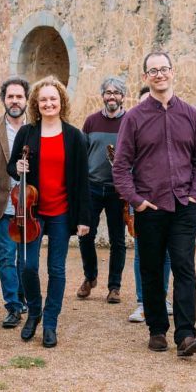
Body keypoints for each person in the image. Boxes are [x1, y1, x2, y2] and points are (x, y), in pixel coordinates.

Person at [113, 52, 196, 357]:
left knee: (184, 269)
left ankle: (185, 334)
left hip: (183, 205)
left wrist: (194, 195)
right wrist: (137, 201)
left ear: (172, 72)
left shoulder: (191, 115)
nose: (159, 75)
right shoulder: (134, 118)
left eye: (163, 69)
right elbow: (120, 165)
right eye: (153, 71)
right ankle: (156, 329)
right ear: (146, 77)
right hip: (150, 209)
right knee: (152, 270)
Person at [7, 76, 92, 348]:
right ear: (36, 103)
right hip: (31, 211)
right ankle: (34, 312)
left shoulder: (75, 136)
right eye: (43, 99)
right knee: (28, 266)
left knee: (56, 269)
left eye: (53, 99)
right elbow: (12, 167)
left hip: (62, 212)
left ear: (61, 101)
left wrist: (83, 219)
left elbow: (82, 180)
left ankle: (51, 322)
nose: (48, 103)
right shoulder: (27, 133)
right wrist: (18, 168)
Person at [77, 77, 129, 304]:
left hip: (119, 189)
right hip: (92, 187)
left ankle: (114, 286)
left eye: (116, 92)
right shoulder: (90, 122)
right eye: (108, 92)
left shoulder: (130, 122)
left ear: (123, 97)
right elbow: (81, 155)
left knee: (118, 239)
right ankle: (90, 277)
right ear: (102, 96)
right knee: (85, 235)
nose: (111, 96)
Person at [128, 86, 173, 323]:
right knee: (141, 254)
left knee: (166, 254)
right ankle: (143, 301)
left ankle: (161, 297)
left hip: (166, 197)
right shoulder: (134, 124)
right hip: (140, 196)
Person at [0, 77, 30, 329]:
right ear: (4, 99)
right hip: (3, 203)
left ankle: (25, 297)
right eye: (10, 97)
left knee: (26, 258)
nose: (14, 101)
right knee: (6, 257)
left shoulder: (36, 128)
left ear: (26, 99)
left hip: (30, 203)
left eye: (19, 96)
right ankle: (13, 306)